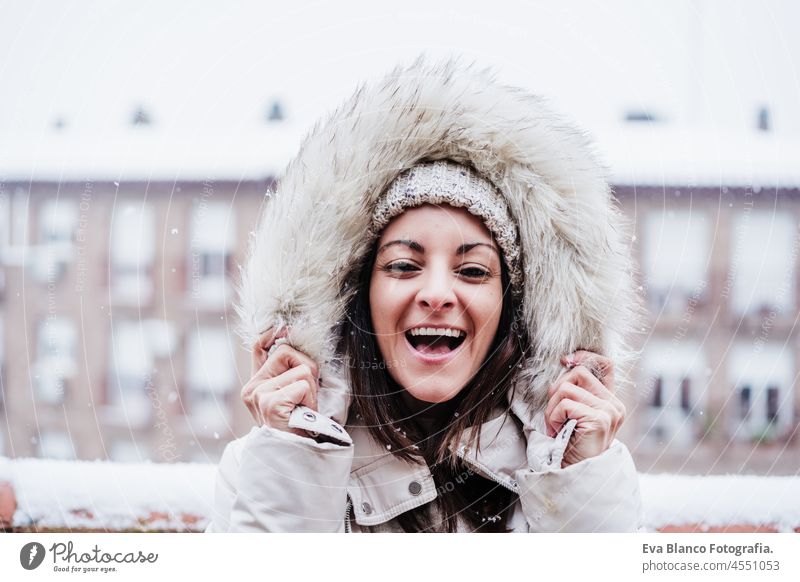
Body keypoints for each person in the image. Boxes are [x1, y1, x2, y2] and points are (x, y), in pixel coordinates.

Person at [206, 59, 643, 533]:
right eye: (403, 266)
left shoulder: (578, 473)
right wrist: (296, 460)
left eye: (472, 270)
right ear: (359, 297)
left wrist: (579, 486)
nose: (436, 293)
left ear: (511, 310)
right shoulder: (266, 464)